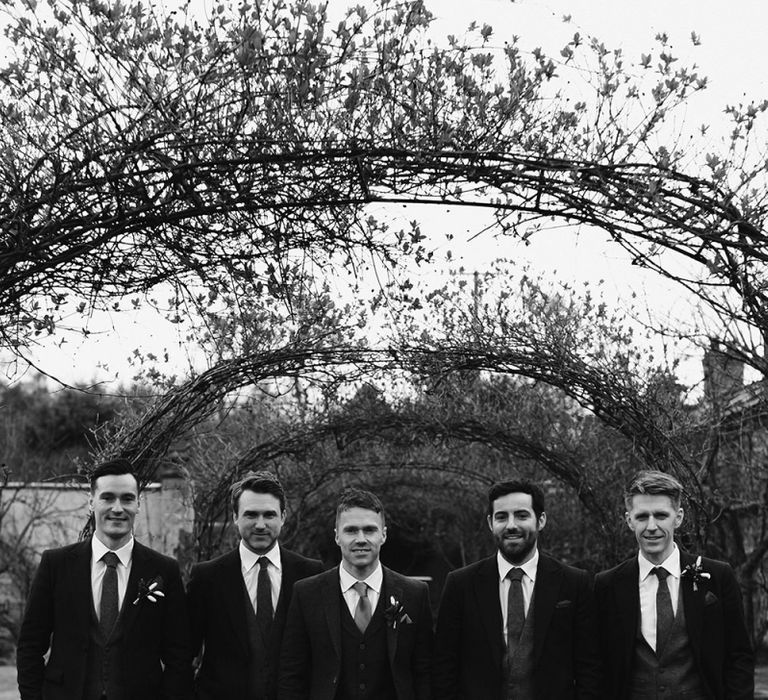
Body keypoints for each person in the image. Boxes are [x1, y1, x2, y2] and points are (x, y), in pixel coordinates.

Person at [16, 458, 192, 700]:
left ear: (138, 504)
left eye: (127, 498)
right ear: (91, 502)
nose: (118, 508)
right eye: (108, 498)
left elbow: (179, 656)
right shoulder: (55, 565)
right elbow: (30, 646)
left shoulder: (164, 570)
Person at [433, 479, 601, 699]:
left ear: (540, 520)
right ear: (490, 523)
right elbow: (444, 668)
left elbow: (590, 669)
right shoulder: (460, 584)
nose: (511, 525)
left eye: (521, 515)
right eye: (502, 517)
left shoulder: (574, 583)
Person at [595, 469, 754, 699]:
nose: (651, 526)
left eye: (661, 515)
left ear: (678, 518)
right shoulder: (606, 585)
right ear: (629, 520)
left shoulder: (718, 576)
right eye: (642, 517)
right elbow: (597, 665)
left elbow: (739, 656)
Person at [279, 488, 433, 700]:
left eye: (369, 530)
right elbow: (292, 674)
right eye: (351, 530)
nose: (361, 539)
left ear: (384, 535)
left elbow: (424, 673)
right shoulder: (306, 594)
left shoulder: (415, 594)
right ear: (337, 536)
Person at [186, 471, 323, 700]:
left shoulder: (310, 573)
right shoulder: (207, 577)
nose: (260, 525)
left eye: (269, 515)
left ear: (283, 516)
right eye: (251, 515)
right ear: (235, 517)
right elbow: (183, 653)